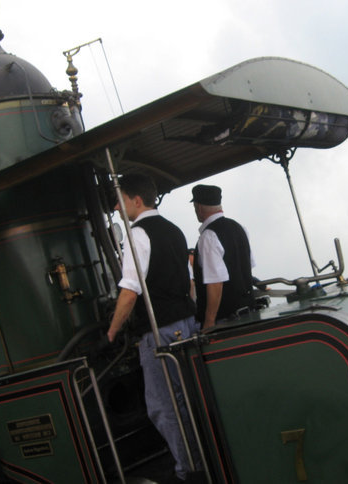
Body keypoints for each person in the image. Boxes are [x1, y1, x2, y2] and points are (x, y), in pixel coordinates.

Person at [105, 174, 199, 483]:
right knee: (187, 397)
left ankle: (189, 471)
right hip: (186, 322)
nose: (117, 207)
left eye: (120, 200)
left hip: (160, 330)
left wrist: (112, 332)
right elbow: (188, 282)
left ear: (136, 200)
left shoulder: (138, 234)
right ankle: (202, 458)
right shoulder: (173, 229)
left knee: (163, 406)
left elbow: (130, 290)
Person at [190, 184, 255, 330]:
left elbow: (215, 283)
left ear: (198, 208)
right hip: (249, 313)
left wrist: (209, 322)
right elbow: (247, 267)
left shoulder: (208, 236)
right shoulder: (240, 228)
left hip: (225, 320)